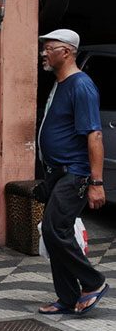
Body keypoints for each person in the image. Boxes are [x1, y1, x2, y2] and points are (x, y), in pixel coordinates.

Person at [36, 29, 109, 315]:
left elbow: (95, 136)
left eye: (49, 47)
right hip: (57, 172)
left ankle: (94, 282)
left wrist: (96, 182)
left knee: (55, 230)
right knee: (55, 233)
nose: (43, 52)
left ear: (66, 52)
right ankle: (67, 298)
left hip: (75, 173)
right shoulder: (61, 82)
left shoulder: (81, 85)